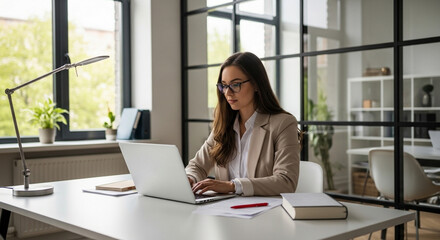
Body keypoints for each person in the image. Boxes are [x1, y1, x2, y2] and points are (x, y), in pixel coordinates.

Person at [185, 52, 300, 196]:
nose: (228, 93)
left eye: (235, 84)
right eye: (224, 85)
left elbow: (286, 181)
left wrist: (233, 186)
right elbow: (196, 165)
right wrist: (190, 178)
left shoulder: (283, 124)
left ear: (256, 84)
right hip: (225, 212)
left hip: (265, 213)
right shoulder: (223, 126)